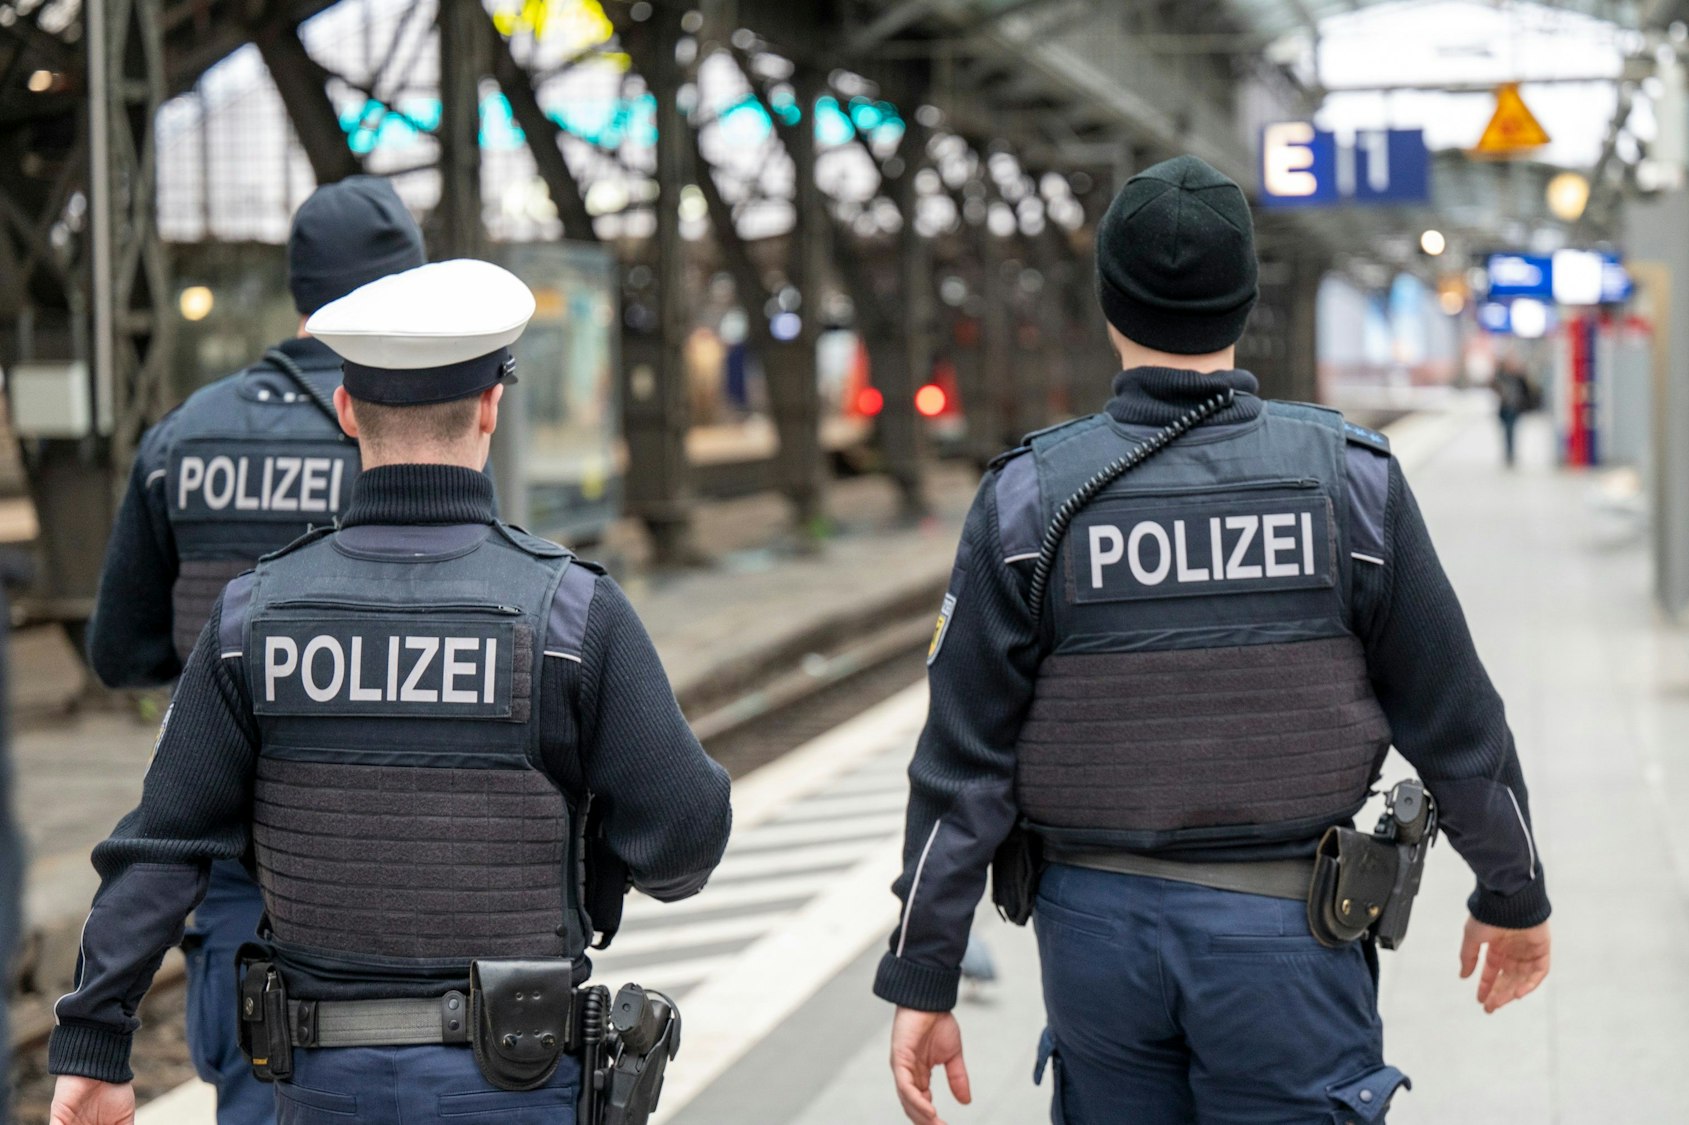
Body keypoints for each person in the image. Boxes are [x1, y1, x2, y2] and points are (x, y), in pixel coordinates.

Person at [876, 156, 1553, 1125]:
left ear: (1109, 302)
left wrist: (923, 970)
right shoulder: (1350, 484)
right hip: (1289, 938)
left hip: (1094, 941)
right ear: (1245, 299)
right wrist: (1511, 890)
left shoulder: (1029, 500)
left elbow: (961, 764)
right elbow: (1456, 721)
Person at [48, 259, 732, 1124]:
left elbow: (161, 846)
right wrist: (587, 851)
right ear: (491, 407)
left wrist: (93, 1044)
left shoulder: (253, 617)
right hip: (516, 1085)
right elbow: (686, 837)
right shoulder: (570, 613)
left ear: (346, 411)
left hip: (320, 1088)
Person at [82, 174, 425, 1125]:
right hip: (386, 853)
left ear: (298, 289)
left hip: (231, 850)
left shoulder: (182, 438)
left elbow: (118, 650)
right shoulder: (411, 435)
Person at [1494, 358, 1536, 467]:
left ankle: (1511, 453)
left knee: (1512, 431)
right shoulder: (1502, 376)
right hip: (1505, 408)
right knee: (1507, 431)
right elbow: (1494, 384)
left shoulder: (1518, 377)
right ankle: (1509, 453)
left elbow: (1527, 390)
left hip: (1515, 408)